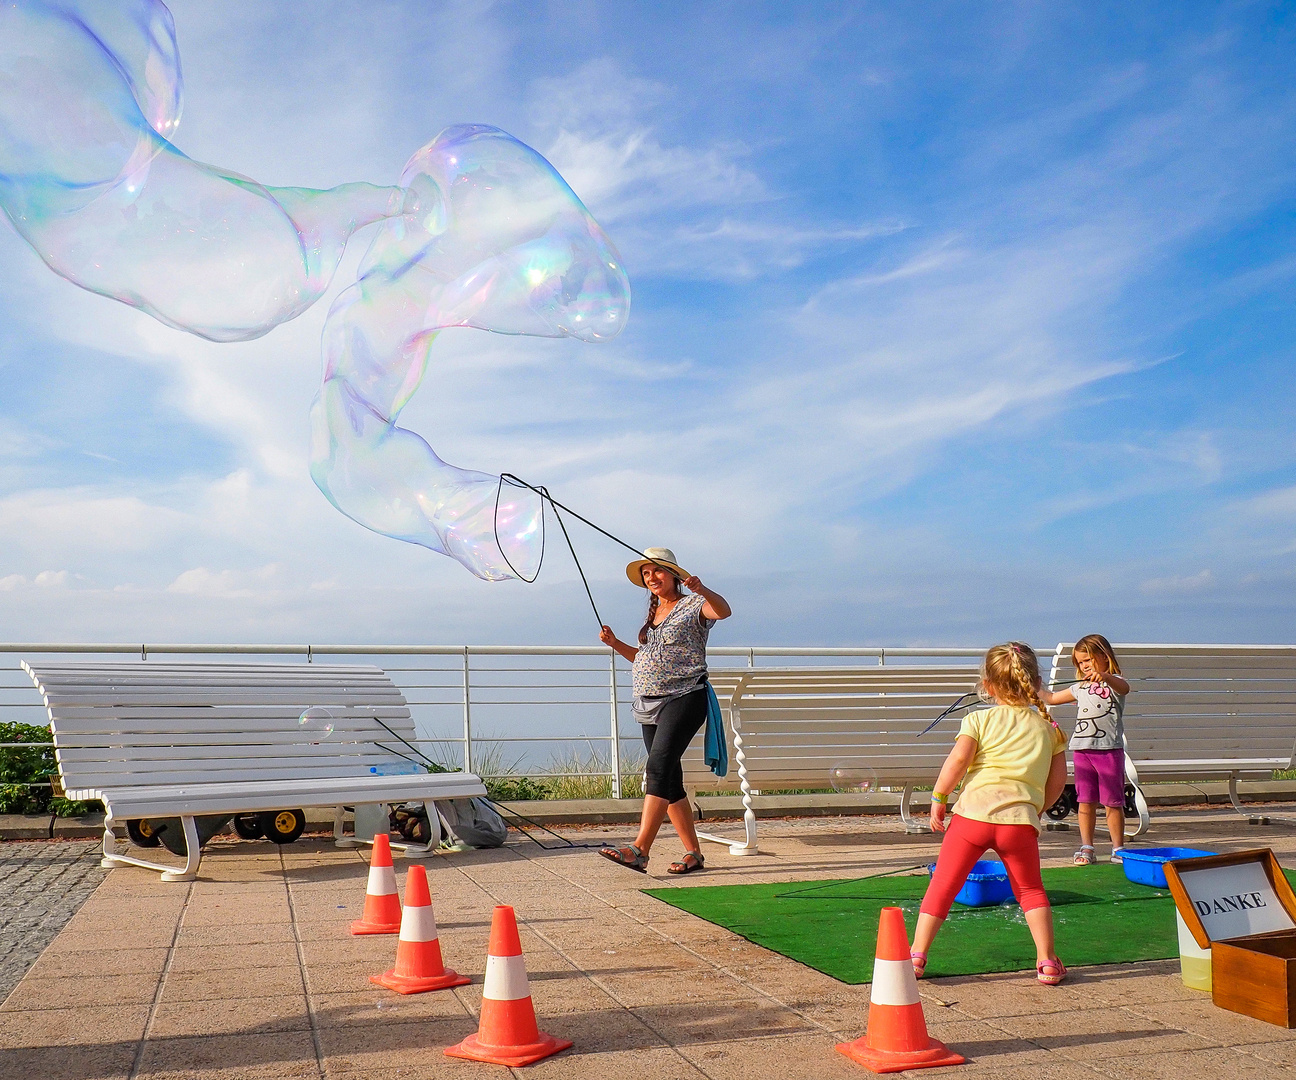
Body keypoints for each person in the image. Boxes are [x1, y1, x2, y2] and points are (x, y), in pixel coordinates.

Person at [911, 642, 1069, 985]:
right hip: (1019, 823)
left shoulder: (977, 719)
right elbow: (1057, 783)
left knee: (943, 885)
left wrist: (939, 796)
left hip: (972, 818)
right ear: (1037, 681)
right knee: (1030, 890)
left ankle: (917, 955)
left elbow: (957, 763)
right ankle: (1047, 961)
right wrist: (1035, 810)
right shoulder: (1050, 728)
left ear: (988, 686)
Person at [596, 547, 731, 875]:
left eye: (657, 571)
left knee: (656, 769)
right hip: (649, 702)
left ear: (674, 574)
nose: (652, 578)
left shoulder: (692, 605)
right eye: (646, 574)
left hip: (684, 696)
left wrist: (702, 589)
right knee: (669, 780)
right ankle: (694, 854)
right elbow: (645, 658)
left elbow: (723, 611)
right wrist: (616, 644)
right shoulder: (653, 616)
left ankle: (640, 849)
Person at [1042, 634, 1130, 865]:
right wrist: (1030, 685)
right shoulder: (1080, 687)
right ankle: (1087, 846)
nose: (1085, 665)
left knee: (1113, 802)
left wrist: (1106, 677)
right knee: (1085, 801)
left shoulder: (1115, 683)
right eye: (1081, 662)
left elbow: (1125, 687)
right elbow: (1050, 697)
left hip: (1109, 750)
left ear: (1104, 656)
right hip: (1082, 750)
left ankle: (1118, 848)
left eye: (1089, 659)